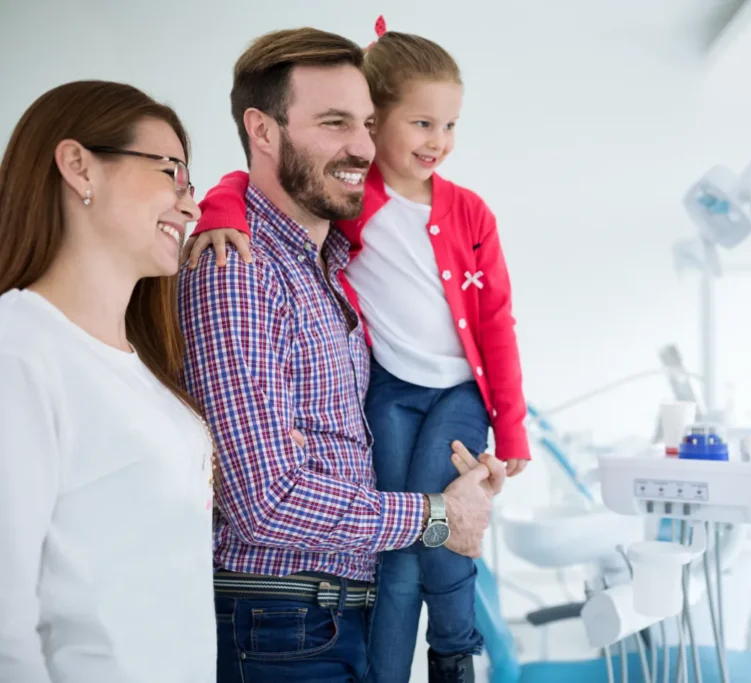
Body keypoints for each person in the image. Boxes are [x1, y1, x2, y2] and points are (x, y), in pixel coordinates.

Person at [183, 18, 529, 683]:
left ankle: (454, 650)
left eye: (369, 124)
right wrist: (439, 514)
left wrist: (468, 469)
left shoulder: (334, 261)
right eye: (335, 122)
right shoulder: (239, 267)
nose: (364, 147)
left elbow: (493, 319)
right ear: (263, 130)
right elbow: (266, 501)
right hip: (286, 619)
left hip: (337, 615)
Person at [0, 80, 214, 682]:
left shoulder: (146, 374)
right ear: (78, 166)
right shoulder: (19, 349)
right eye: (171, 172)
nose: (191, 207)